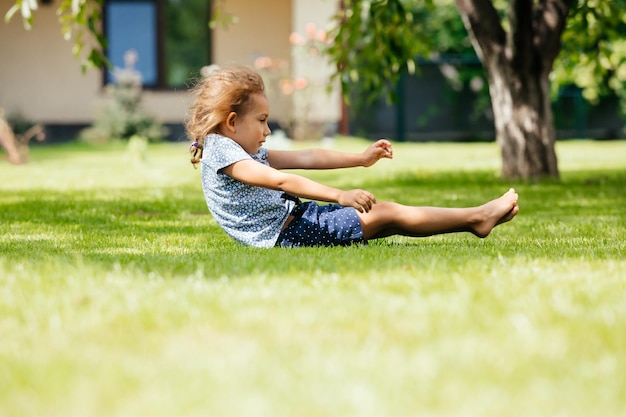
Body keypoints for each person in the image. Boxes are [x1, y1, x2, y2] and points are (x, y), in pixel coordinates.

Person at [186, 65, 519, 248]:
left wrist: (360, 159)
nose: (268, 130)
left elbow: (306, 157)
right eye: (261, 121)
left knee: (387, 219)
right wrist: (341, 195)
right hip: (287, 236)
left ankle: (475, 219)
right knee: (387, 213)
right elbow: (281, 179)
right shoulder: (224, 153)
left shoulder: (232, 148)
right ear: (232, 122)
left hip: (295, 223)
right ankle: (477, 218)